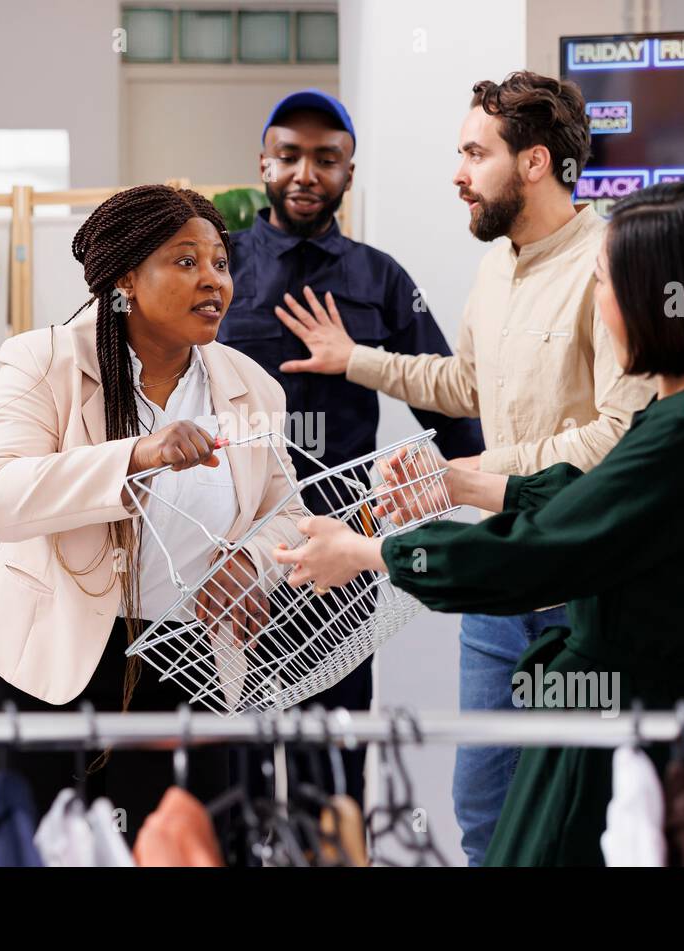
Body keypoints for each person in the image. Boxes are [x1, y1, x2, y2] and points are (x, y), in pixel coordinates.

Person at [271, 180, 684, 866]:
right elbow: (597, 500)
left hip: (624, 732)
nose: (601, 312)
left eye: (605, 285)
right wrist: (462, 483)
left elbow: (543, 552)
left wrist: (370, 552)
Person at [270, 72, 656, 862]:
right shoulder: (499, 265)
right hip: (497, 589)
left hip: (581, 591)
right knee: (482, 815)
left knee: (572, 826)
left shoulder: (608, 264)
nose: (458, 174)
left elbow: (616, 437)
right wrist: (356, 361)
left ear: (536, 162)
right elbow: (464, 385)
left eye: (475, 154)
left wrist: (469, 474)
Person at [0, 185, 306, 847]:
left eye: (220, 263)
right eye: (184, 262)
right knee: (50, 855)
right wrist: (135, 455)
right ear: (125, 282)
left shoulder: (252, 387)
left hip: (189, 659)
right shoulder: (46, 360)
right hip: (50, 662)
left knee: (187, 851)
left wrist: (254, 564)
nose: (212, 280)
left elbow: (284, 512)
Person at [220, 89, 484, 805]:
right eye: (290, 155)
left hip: (340, 549)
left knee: (330, 773)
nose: (306, 172)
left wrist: (505, 495)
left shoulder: (381, 278)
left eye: (326, 159)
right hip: (224, 556)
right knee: (225, 779)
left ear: (348, 173)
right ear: (264, 163)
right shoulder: (219, 265)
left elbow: (451, 406)